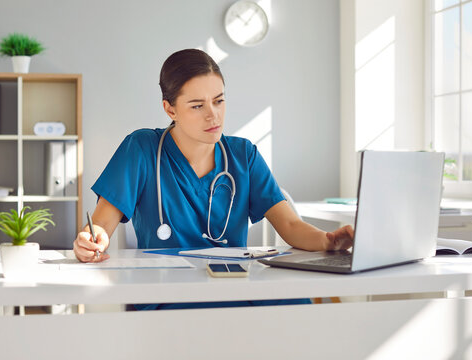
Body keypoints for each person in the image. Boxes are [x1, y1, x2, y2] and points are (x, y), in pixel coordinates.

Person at [73, 49, 354, 309]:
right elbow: (100, 225)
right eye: (197, 106)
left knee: (298, 310)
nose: (213, 114)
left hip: (234, 287)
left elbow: (290, 225)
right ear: (170, 109)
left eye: (219, 101)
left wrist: (327, 241)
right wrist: (90, 240)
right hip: (167, 296)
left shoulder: (243, 155)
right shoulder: (141, 149)